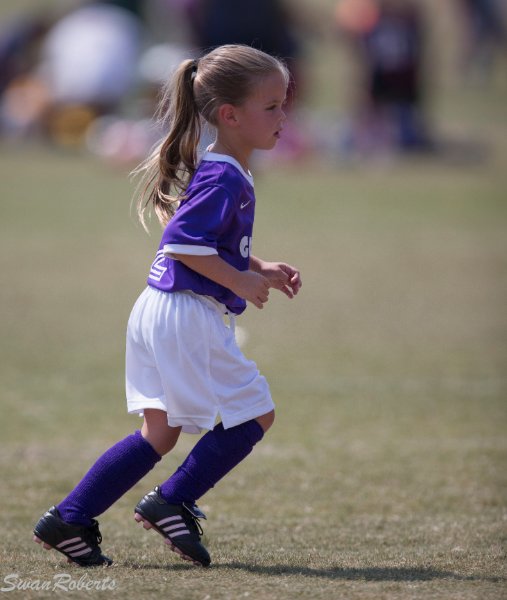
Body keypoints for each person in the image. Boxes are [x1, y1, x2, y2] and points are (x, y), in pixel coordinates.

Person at [32, 44, 302, 568]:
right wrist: (238, 282)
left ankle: (70, 517)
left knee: (160, 431)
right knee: (255, 413)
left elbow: (207, 243)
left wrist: (257, 267)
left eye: (282, 104)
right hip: (187, 312)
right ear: (230, 115)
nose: (282, 116)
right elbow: (180, 242)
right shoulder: (225, 174)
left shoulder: (226, 170)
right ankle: (172, 500)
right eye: (270, 106)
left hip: (159, 306)